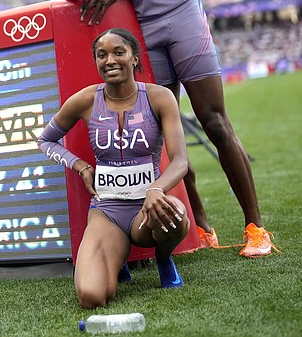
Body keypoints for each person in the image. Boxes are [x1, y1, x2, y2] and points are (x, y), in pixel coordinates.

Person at [58, 0, 275, 258]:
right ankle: (203, 228)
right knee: (163, 134)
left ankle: (256, 229)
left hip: (181, 15)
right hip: (143, 32)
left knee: (213, 122)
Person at [38, 28, 190, 308]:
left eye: (119, 52)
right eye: (102, 55)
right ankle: (116, 260)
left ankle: (163, 258)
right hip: (107, 211)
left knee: (177, 217)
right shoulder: (85, 100)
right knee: (92, 297)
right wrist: (81, 166)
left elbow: (180, 160)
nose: (110, 60)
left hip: (148, 208)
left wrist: (156, 188)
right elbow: (45, 140)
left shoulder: (159, 97)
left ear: (134, 58)